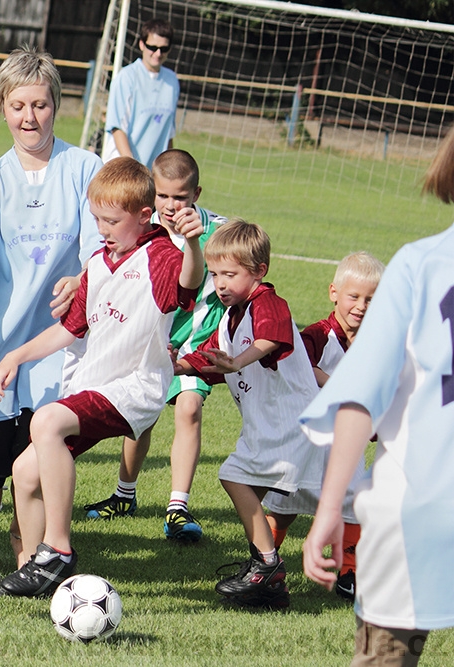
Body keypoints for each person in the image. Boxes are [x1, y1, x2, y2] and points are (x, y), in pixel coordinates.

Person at [0, 157, 204, 598]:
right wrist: (15, 358)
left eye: (111, 220)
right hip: (94, 386)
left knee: (45, 422)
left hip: (132, 388)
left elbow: (186, 282)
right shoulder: (99, 262)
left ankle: (57, 549)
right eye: (96, 218)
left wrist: (192, 246)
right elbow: (70, 328)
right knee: (25, 472)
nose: (101, 228)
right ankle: (32, 571)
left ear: (144, 216)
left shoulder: (161, 255)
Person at [0, 46, 103, 581]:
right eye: (18, 106)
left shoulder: (85, 168)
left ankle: (33, 560)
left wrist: (82, 278)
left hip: (59, 347)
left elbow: (101, 249)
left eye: (39, 104)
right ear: (2, 108)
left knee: (35, 464)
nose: (29, 117)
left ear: (56, 104)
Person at [301, 131, 454, 665]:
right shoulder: (412, 268)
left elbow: (358, 398)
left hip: (414, 510)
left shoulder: (419, 265)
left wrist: (328, 511)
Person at [174, 219, 320, 609]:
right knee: (342, 504)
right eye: (216, 274)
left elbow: (271, 338)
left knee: (233, 475)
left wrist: (237, 362)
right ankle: (268, 578)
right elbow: (207, 357)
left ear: (259, 272)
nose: (220, 283)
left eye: (230, 274)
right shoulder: (229, 316)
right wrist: (170, 367)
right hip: (271, 427)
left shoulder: (268, 303)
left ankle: (268, 566)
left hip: (290, 425)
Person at [82, 149, 227, 543]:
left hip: (192, 347)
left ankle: (177, 508)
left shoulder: (216, 232)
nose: (170, 205)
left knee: (189, 409)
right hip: (149, 341)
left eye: (180, 197)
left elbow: (240, 272)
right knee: (138, 416)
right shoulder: (142, 229)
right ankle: (124, 494)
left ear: (196, 194)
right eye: (162, 196)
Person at [263, 251, 383, 602]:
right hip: (307, 442)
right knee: (284, 505)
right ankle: (266, 561)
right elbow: (299, 366)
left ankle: (350, 571)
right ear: (334, 293)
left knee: (355, 502)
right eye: (354, 296)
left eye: (371, 300)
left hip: (349, 442)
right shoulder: (317, 335)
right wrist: (335, 384)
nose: (361, 306)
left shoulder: (376, 347)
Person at [102, 18, 179, 168]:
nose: (157, 53)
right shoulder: (126, 77)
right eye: (152, 47)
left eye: (163, 49)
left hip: (152, 174)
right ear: (142, 44)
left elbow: (168, 133)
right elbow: (117, 128)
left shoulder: (172, 81)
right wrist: (133, 168)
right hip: (123, 168)